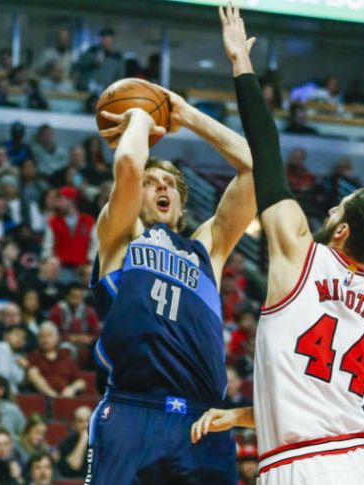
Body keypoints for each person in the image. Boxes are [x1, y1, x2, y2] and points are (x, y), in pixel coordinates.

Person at [190, 6, 364, 485]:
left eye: (337, 209)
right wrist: (243, 416)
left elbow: (265, 150)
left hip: (302, 467)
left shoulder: (301, 252)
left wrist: (240, 65)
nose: (328, 213)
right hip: (363, 462)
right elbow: (319, 396)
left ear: (344, 229)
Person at [82, 39, 259, 483]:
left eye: (171, 184)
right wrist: (142, 114)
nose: (161, 186)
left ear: (180, 204)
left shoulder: (207, 249)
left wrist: (183, 112)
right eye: (152, 181)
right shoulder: (120, 233)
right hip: (132, 410)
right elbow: (126, 164)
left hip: (203, 421)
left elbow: (256, 170)